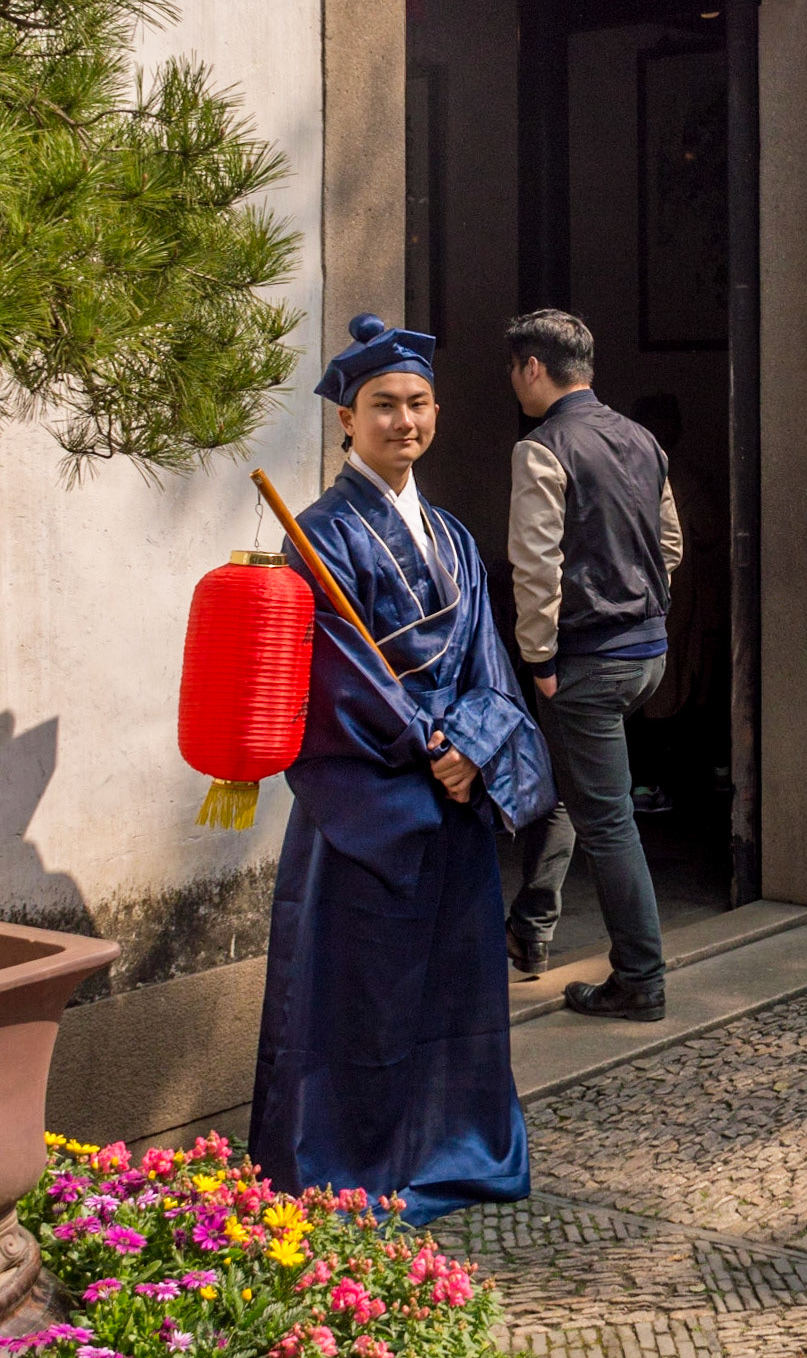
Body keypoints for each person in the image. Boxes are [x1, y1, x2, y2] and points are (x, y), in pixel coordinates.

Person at [249, 313, 556, 1218]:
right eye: (383, 404)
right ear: (347, 417)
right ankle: (348, 1167)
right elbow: (335, 677)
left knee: (455, 990)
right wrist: (435, 752)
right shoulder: (317, 538)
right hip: (371, 812)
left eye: (419, 402)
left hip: (453, 804)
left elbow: (489, 666)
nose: (405, 421)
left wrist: (479, 747)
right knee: (360, 1002)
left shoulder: (456, 537)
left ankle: (455, 1150)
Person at [503, 309, 682, 1019]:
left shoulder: (542, 447)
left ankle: (641, 977)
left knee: (607, 819)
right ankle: (532, 930)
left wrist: (538, 656)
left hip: (585, 659)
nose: (514, 383)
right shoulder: (640, 438)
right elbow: (670, 544)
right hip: (646, 650)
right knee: (579, 789)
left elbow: (534, 566)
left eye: (515, 370)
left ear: (533, 368)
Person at [627, 393, 727, 814]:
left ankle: (649, 784)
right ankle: (672, 783)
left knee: (649, 694)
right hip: (674, 605)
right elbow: (709, 534)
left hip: (646, 606)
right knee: (678, 690)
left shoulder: (624, 475)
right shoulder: (685, 479)